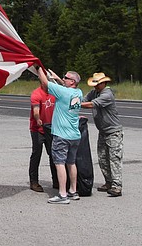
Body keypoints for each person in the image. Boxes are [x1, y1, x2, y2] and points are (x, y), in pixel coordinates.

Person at [35, 65, 82, 204]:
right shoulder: (78, 92)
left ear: (72, 81)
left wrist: (37, 68)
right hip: (74, 135)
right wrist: (58, 79)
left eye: (66, 78)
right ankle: (73, 191)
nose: (63, 79)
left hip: (62, 135)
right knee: (71, 163)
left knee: (59, 163)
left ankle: (62, 194)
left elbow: (44, 83)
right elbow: (65, 87)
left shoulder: (63, 93)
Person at [81, 72, 123, 197]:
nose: (96, 86)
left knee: (114, 159)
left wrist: (74, 105)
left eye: (98, 84)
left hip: (113, 132)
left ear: (104, 83)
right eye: (95, 84)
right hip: (103, 131)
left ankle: (117, 186)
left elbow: (90, 104)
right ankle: (109, 182)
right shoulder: (94, 93)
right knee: (103, 159)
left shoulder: (107, 94)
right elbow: (85, 100)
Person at [28, 76, 58, 192]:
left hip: (51, 128)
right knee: (37, 154)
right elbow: (36, 110)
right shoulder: (36, 94)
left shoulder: (54, 92)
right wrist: (37, 118)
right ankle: (34, 182)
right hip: (37, 129)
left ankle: (56, 180)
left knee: (53, 154)